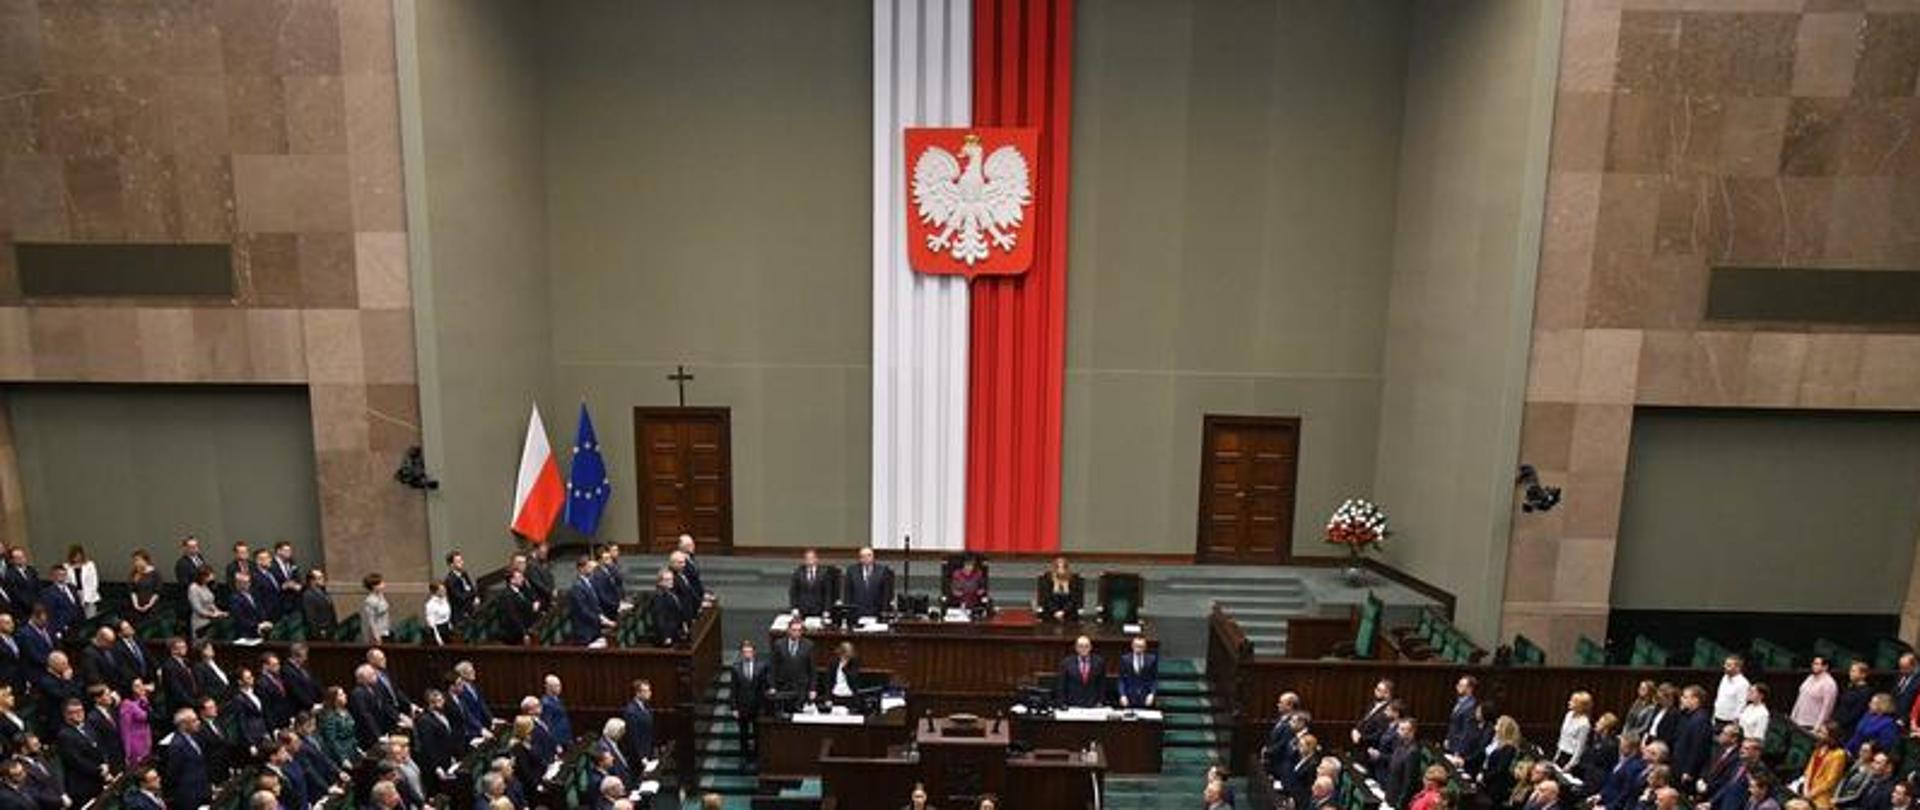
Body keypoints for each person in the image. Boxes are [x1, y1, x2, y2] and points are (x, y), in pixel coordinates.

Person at [165, 708, 212, 810]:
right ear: (183, 725)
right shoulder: (177, 745)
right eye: (194, 720)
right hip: (189, 797)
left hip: (201, 790)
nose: (198, 722)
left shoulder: (194, 737)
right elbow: (173, 774)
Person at [771, 619, 817, 707]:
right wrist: (772, 686)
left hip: (800, 686)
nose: (796, 633)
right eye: (794, 630)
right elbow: (773, 667)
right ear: (788, 630)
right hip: (783, 685)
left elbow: (812, 669)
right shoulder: (779, 644)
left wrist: (812, 689)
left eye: (799, 630)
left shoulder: (809, 645)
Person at [1805, 722, 1849, 810]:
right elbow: (1809, 769)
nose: (1819, 734)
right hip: (1808, 789)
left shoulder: (1839, 754)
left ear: (1831, 736)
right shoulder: (1819, 747)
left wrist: (1811, 793)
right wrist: (1806, 788)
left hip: (1822, 796)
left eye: (1823, 733)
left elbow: (1830, 781)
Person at [1055, 636, 1107, 709]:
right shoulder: (1066, 663)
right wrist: (1062, 703)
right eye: (1081, 646)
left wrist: (1101, 702)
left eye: (1086, 646)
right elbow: (1061, 685)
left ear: (1090, 647)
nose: (1084, 649)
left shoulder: (1099, 662)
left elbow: (1102, 685)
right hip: (1072, 705)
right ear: (1076, 648)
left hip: (1093, 705)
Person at [845, 547, 895, 618]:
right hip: (857, 614)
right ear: (860, 558)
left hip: (876, 613)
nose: (866, 558)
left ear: (873, 557)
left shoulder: (882, 571)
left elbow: (886, 594)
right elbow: (848, 594)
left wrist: (884, 612)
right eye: (863, 556)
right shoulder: (852, 571)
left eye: (869, 555)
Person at [572, 558, 613, 645]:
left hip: (594, 629)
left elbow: (595, 605)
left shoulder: (589, 583)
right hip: (585, 631)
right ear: (581, 569)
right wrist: (600, 620)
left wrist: (603, 617)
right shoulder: (577, 587)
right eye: (588, 566)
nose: (591, 569)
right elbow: (583, 610)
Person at [1794, 657, 1839, 732]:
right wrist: (1793, 716)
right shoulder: (1810, 678)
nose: (1813, 666)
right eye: (1813, 663)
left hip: (1811, 724)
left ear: (1825, 667)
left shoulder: (1829, 684)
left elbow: (1827, 708)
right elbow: (1800, 698)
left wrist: (1817, 727)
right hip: (1798, 719)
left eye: (1817, 664)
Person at [645, 567, 687, 646]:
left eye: (671, 579)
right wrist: (666, 637)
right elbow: (659, 619)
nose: (670, 582)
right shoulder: (659, 598)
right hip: (667, 637)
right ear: (660, 582)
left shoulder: (671, 594)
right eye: (667, 580)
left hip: (675, 633)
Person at [621, 680, 655, 770]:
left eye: (649, 690)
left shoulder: (646, 707)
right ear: (637, 693)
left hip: (647, 753)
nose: (649, 693)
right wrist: (641, 757)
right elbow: (633, 736)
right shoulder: (631, 711)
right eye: (646, 691)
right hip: (637, 757)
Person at [789, 548, 835, 616]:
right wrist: (794, 607)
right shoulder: (798, 573)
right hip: (802, 610)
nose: (809, 560)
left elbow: (827, 593)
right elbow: (793, 592)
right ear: (804, 560)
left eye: (812, 558)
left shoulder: (824, 574)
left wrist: (827, 609)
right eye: (807, 558)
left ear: (816, 559)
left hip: (819, 610)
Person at [1834, 661, 1874, 738]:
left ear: (1863, 674)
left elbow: (1857, 712)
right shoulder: (1850, 687)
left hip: (1851, 729)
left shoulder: (1866, 692)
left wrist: (1841, 722)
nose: (1850, 673)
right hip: (1839, 726)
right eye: (1850, 671)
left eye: (1854, 671)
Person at [1556, 690, 1593, 767]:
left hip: (1570, 756)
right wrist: (1557, 755)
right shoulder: (1569, 715)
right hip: (1561, 752)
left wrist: (1570, 765)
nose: (1569, 702)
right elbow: (1563, 737)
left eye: (1573, 701)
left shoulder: (1584, 724)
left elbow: (1580, 747)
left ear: (1580, 705)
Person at [1040, 556, 1083, 622]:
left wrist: (1064, 611)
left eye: (1063, 567)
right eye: (1058, 567)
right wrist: (1055, 611)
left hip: (1069, 611)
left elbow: (1074, 598)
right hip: (1051, 610)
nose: (1060, 570)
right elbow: (1046, 597)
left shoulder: (1074, 579)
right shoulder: (1047, 578)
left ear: (1067, 568)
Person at [1117, 636, 1157, 709]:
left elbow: (1154, 679)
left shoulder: (1151, 659)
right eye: (1136, 646)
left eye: (1141, 646)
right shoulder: (1125, 659)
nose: (1138, 649)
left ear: (1145, 647)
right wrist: (1122, 695)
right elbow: (1121, 679)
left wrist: (1152, 694)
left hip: (1145, 697)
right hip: (1129, 697)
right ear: (1132, 646)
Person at [121, 677, 153, 764]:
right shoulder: (126, 704)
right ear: (130, 689)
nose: (141, 688)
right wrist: (127, 753)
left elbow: (150, 717)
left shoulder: (143, 700)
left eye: (141, 684)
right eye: (137, 686)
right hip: (135, 744)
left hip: (147, 740)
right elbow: (125, 730)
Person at [1353, 678, 1395, 746]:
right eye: (1376, 688)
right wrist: (1356, 730)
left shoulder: (1389, 709)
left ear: (1388, 693)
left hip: (1372, 745)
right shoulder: (1373, 704)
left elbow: (1381, 732)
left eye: (1379, 690)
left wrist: (1361, 738)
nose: (1375, 691)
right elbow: (1365, 719)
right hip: (1360, 743)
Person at [1447, 675, 1480, 756]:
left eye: (1461, 685)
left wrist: (1459, 750)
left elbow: (1467, 730)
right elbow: (1454, 723)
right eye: (1458, 684)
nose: (1457, 687)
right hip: (1453, 743)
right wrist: (1448, 738)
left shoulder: (1471, 706)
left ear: (1469, 689)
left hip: (1459, 747)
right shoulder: (1460, 702)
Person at [444, 550, 479, 628]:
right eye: (458, 561)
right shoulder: (450, 580)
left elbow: (472, 588)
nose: (462, 563)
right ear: (451, 565)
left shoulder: (464, 574)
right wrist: (472, 594)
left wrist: (475, 596)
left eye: (461, 560)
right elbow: (460, 597)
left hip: (470, 611)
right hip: (460, 616)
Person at [63, 545, 99, 619]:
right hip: (74, 594)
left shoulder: (90, 565)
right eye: (75, 555)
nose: (77, 557)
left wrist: (87, 598)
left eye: (79, 555)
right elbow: (66, 582)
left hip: (89, 594)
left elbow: (94, 582)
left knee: (91, 618)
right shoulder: (66, 566)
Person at [230, 569, 268, 640]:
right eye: (243, 583)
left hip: (259, 630)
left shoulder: (253, 594)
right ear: (237, 584)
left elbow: (260, 609)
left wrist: (264, 621)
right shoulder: (235, 599)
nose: (247, 584)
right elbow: (240, 619)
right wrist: (257, 625)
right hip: (245, 633)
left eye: (248, 582)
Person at [188, 566, 224, 640]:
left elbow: (210, 602)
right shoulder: (193, 588)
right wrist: (213, 615)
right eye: (210, 575)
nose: (213, 577)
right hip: (200, 621)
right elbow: (197, 608)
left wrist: (219, 612)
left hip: (210, 621)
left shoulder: (205, 586)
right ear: (203, 576)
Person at [1714, 656, 1751, 726]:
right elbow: (1719, 697)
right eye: (1725, 664)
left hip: (1730, 721)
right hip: (1718, 717)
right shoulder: (1724, 677)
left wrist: (1735, 722)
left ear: (1738, 668)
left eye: (1729, 665)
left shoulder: (1743, 683)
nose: (1725, 666)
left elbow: (1741, 704)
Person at [302, 568, 337, 640]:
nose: (323, 579)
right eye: (320, 578)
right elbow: (310, 617)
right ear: (312, 581)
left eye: (323, 577)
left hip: (330, 632)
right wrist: (317, 633)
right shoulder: (308, 595)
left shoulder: (324, 593)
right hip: (319, 635)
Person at [127, 550, 160, 627]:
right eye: (134, 561)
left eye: (138, 560)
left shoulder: (155, 573)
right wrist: (136, 605)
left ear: (145, 560)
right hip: (136, 608)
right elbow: (132, 591)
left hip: (152, 608)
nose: (136, 563)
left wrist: (149, 604)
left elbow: (157, 592)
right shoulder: (134, 574)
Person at [540, 674, 573, 747]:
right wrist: (554, 743)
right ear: (549, 687)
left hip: (564, 736)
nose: (560, 688)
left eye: (559, 685)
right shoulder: (546, 703)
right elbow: (547, 724)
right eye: (557, 686)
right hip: (557, 739)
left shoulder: (557, 700)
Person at [360, 573, 391, 643]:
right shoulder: (370, 601)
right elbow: (371, 619)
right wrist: (375, 635)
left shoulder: (381, 596)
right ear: (374, 586)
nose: (384, 585)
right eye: (381, 583)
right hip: (376, 634)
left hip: (384, 630)